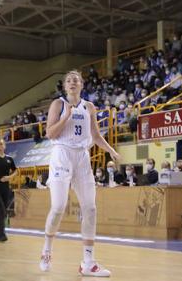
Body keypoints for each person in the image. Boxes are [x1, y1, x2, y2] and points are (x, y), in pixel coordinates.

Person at [39, 70, 121, 277]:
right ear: (65, 86)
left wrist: (111, 150)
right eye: (68, 80)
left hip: (82, 157)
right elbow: (50, 133)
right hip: (62, 154)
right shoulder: (58, 104)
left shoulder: (89, 107)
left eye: (76, 80)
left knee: (90, 208)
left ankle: (88, 262)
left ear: (82, 84)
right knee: (58, 207)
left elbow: (95, 135)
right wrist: (66, 117)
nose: (72, 82)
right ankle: (46, 250)